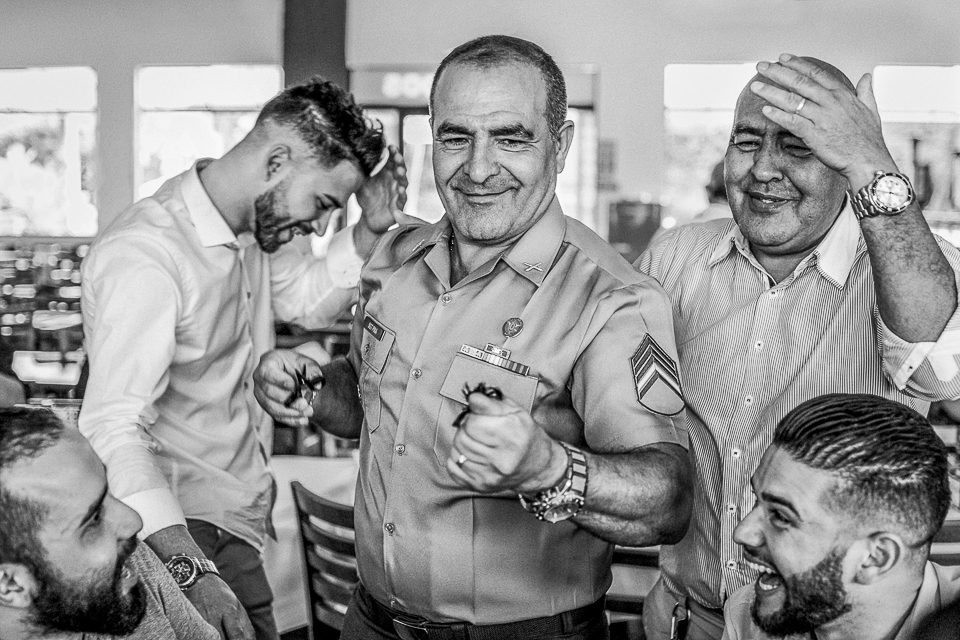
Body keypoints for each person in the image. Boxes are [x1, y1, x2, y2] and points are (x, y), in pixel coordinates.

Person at [254, 35, 692, 640]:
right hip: (371, 619)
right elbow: (363, 404)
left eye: (512, 139)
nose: (478, 169)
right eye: (457, 138)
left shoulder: (609, 299)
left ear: (560, 147)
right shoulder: (394, 261)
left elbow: (668, 499)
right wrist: (308, 386)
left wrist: (548, 468)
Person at [635, 54, 960, 640]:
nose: (762, 169)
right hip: (690, 618)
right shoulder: (675, 260)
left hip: (830, 625)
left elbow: (940, 372)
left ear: (844, 163)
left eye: (797, 146)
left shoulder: (906, 262)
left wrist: (871, 159)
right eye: (747, 140)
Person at [78, 77, 407, 640]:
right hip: (181, 528)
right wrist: (190, 570)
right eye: (323, 204)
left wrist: (369, 229)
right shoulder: (146, 253)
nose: (321, 226)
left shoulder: (257, 230)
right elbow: (111, 426)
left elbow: (303, 299)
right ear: (277, 161)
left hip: (239, 514)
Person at [723, 393, 960, 640]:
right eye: (756, 500)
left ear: (875, 558)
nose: (742, 533)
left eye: (781, 517)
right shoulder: (746, 616)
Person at [0, 406, 220, 640]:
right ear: (10, 584)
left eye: (110, 491)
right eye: (93, 520)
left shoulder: (129, 568)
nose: (134, 521)